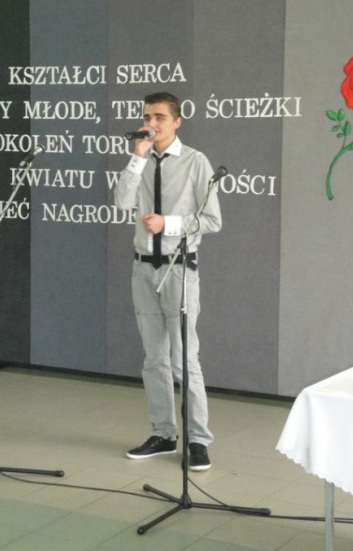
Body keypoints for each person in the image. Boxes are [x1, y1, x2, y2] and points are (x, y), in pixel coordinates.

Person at [114, 92, 222, 471]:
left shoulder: (195, 162)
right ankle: (163, 433)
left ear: (177, 121)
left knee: (184, 359)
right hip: (143, 269)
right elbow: (121, 203)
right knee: (154, 359)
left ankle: (197, 440)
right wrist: (137, 158)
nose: (151, 123)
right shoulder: (139, 161)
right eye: (147, 116)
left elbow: (212, 220)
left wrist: (168, 224)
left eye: (159, 117)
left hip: (179, 269)